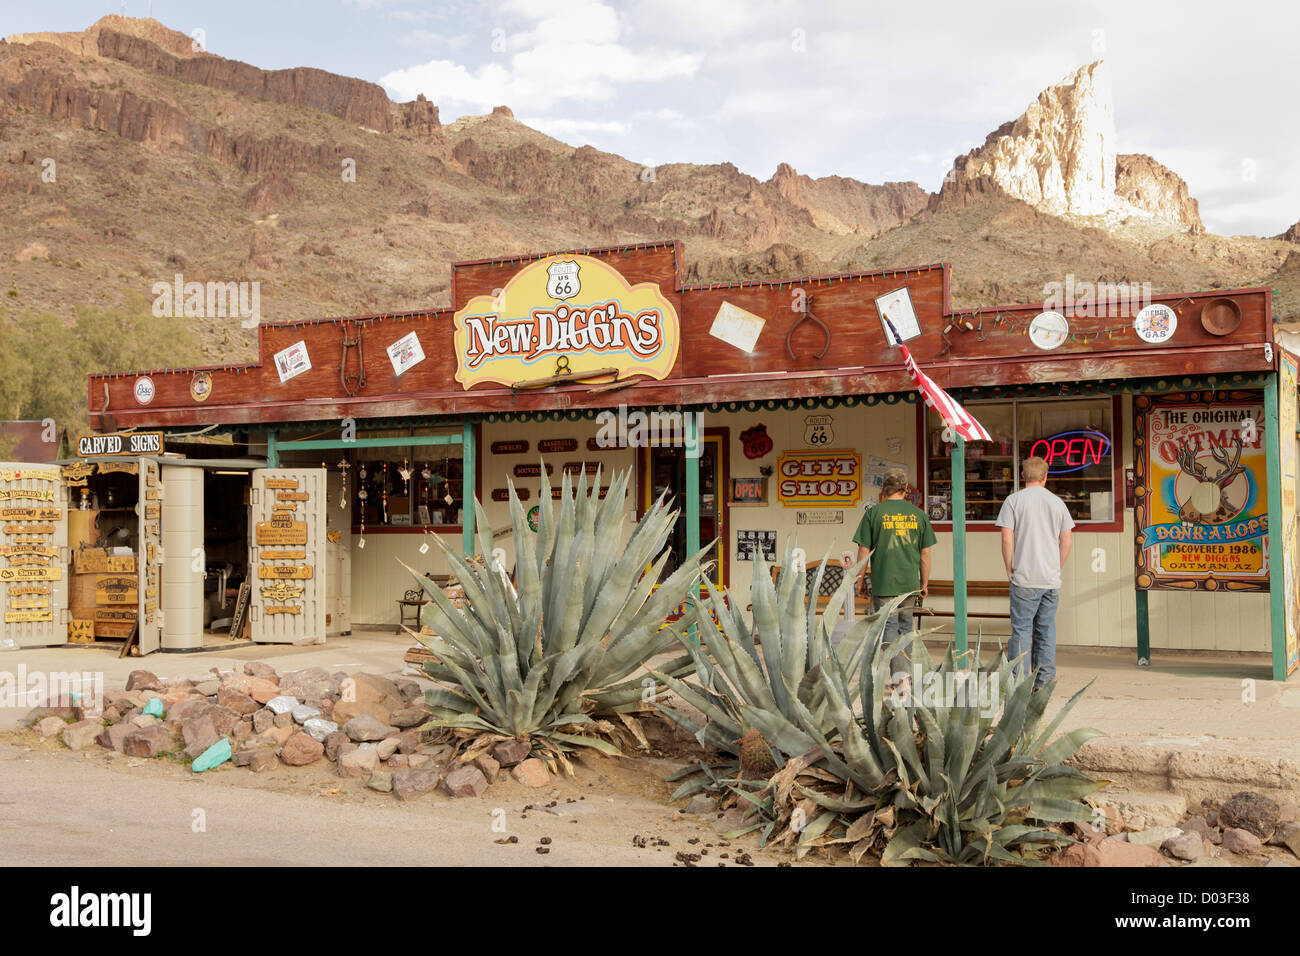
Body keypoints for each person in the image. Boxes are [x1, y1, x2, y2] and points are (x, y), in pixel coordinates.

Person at [996, 456, 1074, 689]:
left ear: (1022, 476)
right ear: (1045, 476)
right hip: (1050, 579)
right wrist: (1055, 566)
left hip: (1024, 578)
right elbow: (1067, 540)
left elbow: (1006, 536)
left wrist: (1010, 567)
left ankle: (1020, 682)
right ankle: (1044, 681)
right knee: (1046, 630)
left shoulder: (1013, 501)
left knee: (1021, 630)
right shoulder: (1057, 502)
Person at [853, 471, 935, 683]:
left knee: (888, 628)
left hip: (883, 583)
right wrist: (924, 583)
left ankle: (900, 677)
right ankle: (905, 674)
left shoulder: (874, 513)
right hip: (909, 583)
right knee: (906, 627)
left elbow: (863, 550)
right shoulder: (918, 515)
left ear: (885, 488)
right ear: (906, 487)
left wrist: (860, 578)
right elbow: (925, 553)